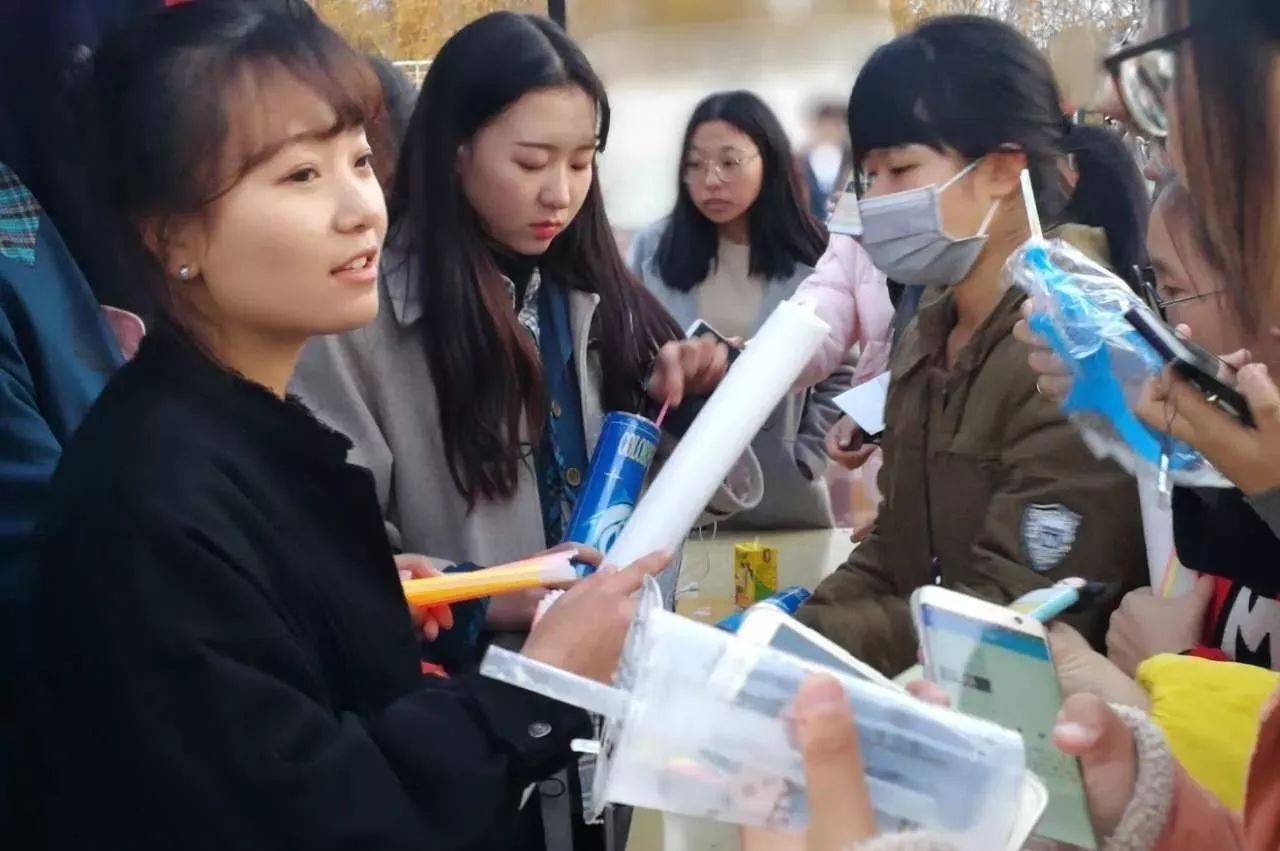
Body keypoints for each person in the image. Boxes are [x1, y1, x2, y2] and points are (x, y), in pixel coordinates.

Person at [24, 5, 667, 849]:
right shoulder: (151, 502)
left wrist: (356, 604)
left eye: (360, 160)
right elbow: (317, 813)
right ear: (174, 234)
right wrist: (534, 685)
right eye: (300, 175)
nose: (361, 208)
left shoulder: (249, 434)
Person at [293, 12, 761, 633]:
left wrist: (693, 407)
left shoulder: (604, 294)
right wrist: (490, 598)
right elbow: (334, 556)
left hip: (616, 667)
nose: (560, 194)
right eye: (532, 163)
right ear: (456, 152)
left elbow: (689, 510)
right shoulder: (358, 320)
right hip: (476, 682)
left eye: (581, 163)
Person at [793, 15, 1148, 677]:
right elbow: (895, 548)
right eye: (869, 175)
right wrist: (786, 632)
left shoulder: (1070, 351)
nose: (876, 201)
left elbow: (1019, 610)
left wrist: (814, 640)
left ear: (1002, 170)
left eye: (900, 169)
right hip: (925, 694)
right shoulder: (929, 331)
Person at [628, 90, 850, 529]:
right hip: (676, 501)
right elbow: (629, 356)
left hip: (784, 504)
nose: (711, 179)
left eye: (729, 162)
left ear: (770, 160)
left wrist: (806, 458)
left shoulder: (816, 254)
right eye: (695, 165)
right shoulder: (653, 250)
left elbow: (843, 368)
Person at [798, 101, 851, 219]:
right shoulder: (798, 162)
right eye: (824, 125)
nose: (829, 131)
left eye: (835, 125)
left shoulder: (854, 162)